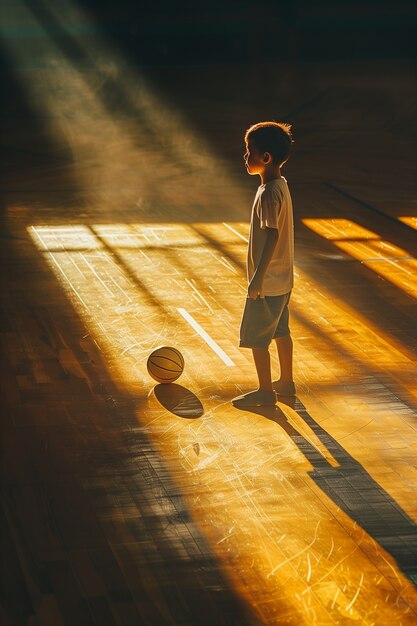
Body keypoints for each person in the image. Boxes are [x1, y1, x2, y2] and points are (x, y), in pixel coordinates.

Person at [232, 121, 296, 408]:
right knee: (281, 331)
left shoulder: (269, 192)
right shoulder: (281, 186)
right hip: (283, 281)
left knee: (258, 339)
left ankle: (265, 391)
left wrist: (257, 278)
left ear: (265, 158)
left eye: (250, 151)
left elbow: (272, 234)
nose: (246, 156)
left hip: (267, 283)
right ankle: (287, 382)